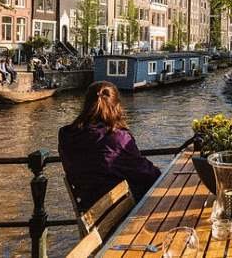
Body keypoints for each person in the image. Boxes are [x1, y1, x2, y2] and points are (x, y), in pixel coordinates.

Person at [58, 81, 161, 211]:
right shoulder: (118, 138)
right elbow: (147, 174)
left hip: (89, 208)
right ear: (116, 106)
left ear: (86, 105)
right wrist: (156, 170)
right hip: (121, 210)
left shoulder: (66, 135)